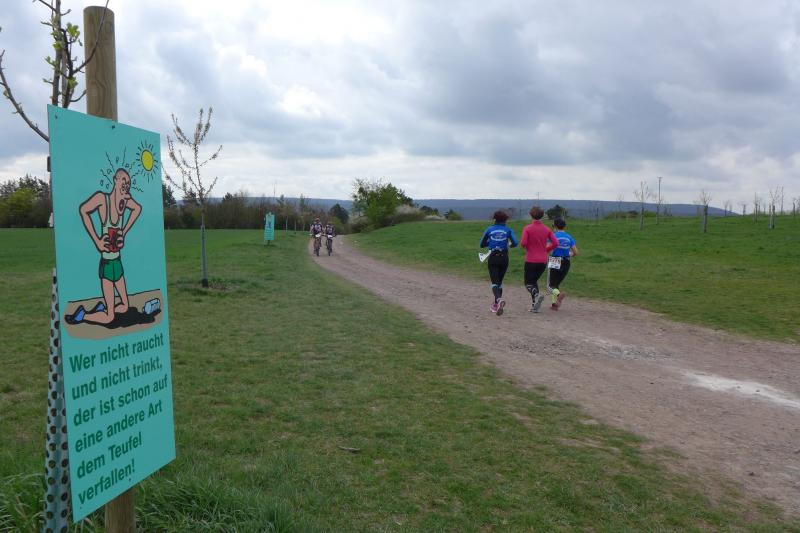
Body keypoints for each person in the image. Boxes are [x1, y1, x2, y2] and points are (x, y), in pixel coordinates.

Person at [68, 168, 142, 325]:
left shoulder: (124, 203)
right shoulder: (103, 199)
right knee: (110, 317)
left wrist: (123, 232)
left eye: (128, 183)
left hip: (117, 262)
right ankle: (82, 315)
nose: (126, 185)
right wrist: (97, 241)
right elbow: (83, 210)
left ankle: (102, 309)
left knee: (125, 306)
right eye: (123, 180)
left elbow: (138, 209)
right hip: (107, 264)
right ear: (115, 180)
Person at [520, 206, 559, 313]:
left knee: (528, 283)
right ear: (542, 216)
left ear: (531, 215)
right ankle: (535, 306)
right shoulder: (547, 229)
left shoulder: (527, 228)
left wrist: (528, 247)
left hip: (531, 260)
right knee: (534, 282)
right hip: (543, 261)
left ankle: (536, 295)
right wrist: (546, 250)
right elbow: (556, 243)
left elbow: (523, 243)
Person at [480, 210, 519, 315]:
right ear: (505, 220)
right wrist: (508, 244)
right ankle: (496, 305)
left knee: (494, 283)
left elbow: (481, 244)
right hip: (504, 258)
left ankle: (499, 299)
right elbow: (515, 243)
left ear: (494, 219)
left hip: (493, 257)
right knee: (499, 283)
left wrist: (491, 242)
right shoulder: (508, 230)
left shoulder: (489, 229)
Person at [548, 217, 578, 311]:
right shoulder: (569, 237)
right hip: (566, 262)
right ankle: (554, 305)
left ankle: (558, 295)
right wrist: (568, 254)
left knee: (550, 285)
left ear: (555, 226)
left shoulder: (553, 236)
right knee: (556, 284)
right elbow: (576, 252)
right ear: (564, 226)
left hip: (555, 260)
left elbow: (547, 248)